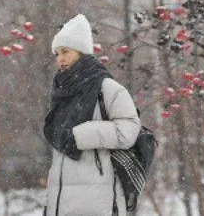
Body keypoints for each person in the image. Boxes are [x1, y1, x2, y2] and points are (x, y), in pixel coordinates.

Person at [43, 14, 141, 216]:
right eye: (57, 53)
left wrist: (82, 135)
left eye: (65, 51)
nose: (60, 58)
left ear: (81, 51)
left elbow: (129, 130)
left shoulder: (107, 88)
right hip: (62, 204)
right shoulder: (62, 93)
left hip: (98, 202)